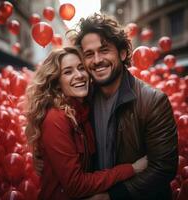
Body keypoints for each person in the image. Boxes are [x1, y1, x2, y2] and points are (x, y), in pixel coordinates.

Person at [71, 13, 178, 200]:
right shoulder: (81, 100)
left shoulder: (153, 101)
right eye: (89, 54)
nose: (97, 60)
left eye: (104, 50)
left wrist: (111, 196)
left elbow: (163, 168)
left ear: (122, 53)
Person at [25, 47, 148, 200]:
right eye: (68, 72)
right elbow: (75, 185)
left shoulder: (83, 110)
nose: (79, 76)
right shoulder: (56, 118)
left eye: (81, 68)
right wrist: (132, 169)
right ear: (56, 83)